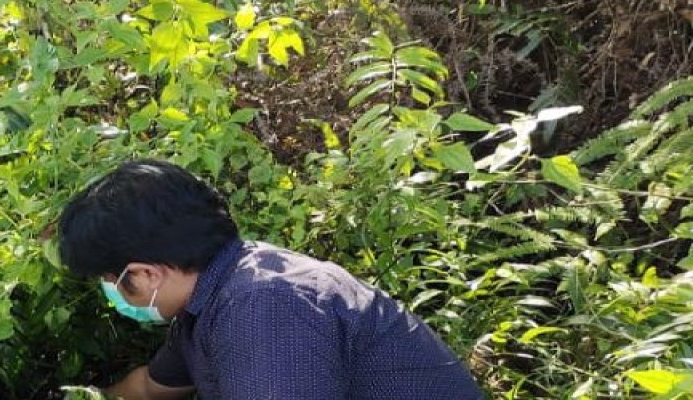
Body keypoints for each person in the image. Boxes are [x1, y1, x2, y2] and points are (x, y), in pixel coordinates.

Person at [57, 159, 484, 400]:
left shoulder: (265, 308)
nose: (112, 293)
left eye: (111, 280)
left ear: (146, 274)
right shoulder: (215, 296)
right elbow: (149, 389)